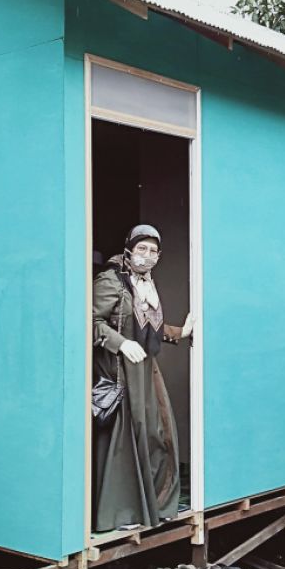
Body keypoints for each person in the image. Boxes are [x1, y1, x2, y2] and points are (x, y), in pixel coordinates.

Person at [93, 224, 194, 532]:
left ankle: (153, 506)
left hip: (146, 370)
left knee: (157, 435)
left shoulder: (147, 285)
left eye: (153, 252)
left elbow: (148, 328)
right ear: (129, 249)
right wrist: (120, 343)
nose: (147, 257)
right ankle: (121, 514)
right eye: (142, 249)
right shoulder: (111, 281)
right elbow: (89, 319)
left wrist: (181, 333)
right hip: (120, 372)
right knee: (126, 441)